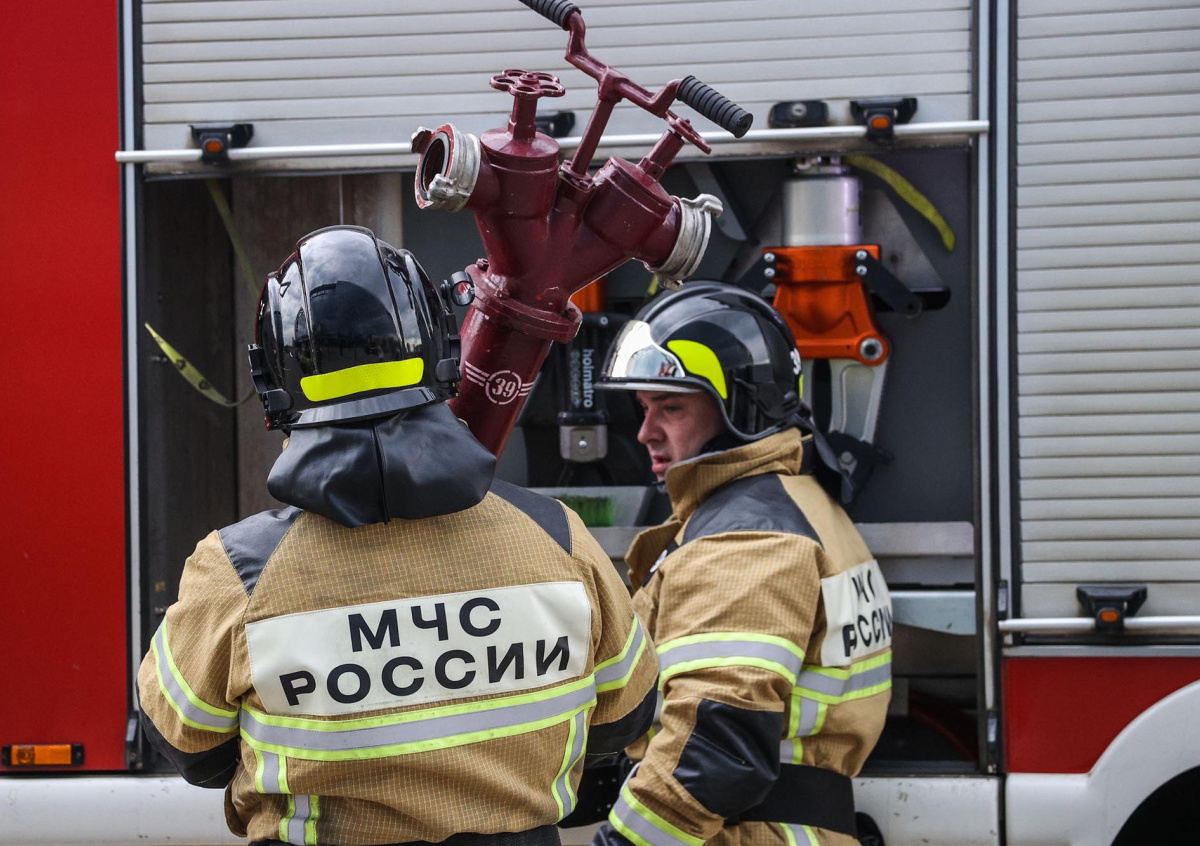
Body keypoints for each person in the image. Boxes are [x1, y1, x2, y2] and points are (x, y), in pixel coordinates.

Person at [137, 226, 658, 846]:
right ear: (442, 355)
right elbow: (623, 718)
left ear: (273, 384)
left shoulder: (238, 570)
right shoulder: (557, 537)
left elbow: (190, 747)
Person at [590, 283, 893, 846]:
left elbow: (715, 749)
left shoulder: (745, 542)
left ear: (741, 412)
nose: (646, 432)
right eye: (644, 408)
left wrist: (623, 844)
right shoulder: (803, 503)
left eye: (671, 407)